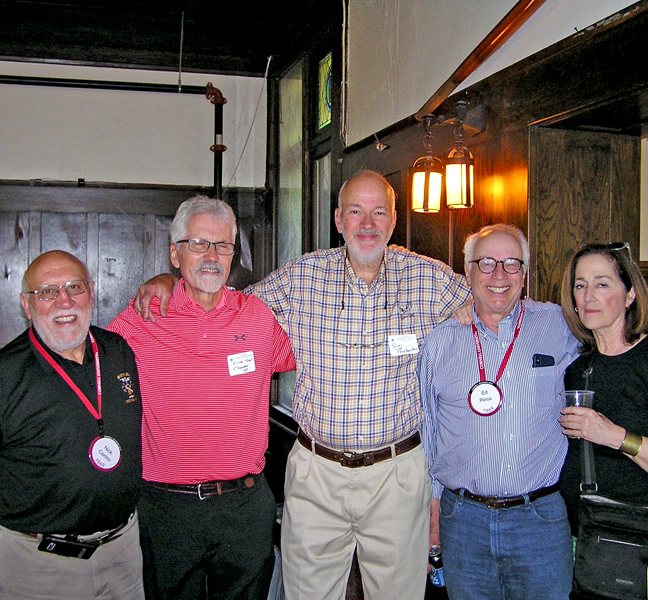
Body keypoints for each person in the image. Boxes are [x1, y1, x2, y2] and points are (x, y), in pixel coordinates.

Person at [134, 170, 472, 600]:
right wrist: (169, 280)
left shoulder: (431, 279)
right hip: (317, 473)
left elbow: (487, 303)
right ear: (338, 220)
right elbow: (224, 301)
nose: (366, 224)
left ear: (393, 220)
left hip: (397, 473)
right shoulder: (302, 276)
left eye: (378, 212)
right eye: (355, 211)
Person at [107, 195, 296, 600]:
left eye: (223, 245)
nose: (212, 256)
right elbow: (90, 369)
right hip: (167, 509)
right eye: (199, 244)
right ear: (175, 255)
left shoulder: (258, 317)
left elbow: (313, 353)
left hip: (244, 505)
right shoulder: (141, 318)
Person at [0, 250, 144, 600]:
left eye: (74, 287)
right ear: (26, 304)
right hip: (36, 567)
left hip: (122, 555)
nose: (64, 301)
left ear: (91, 293)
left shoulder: (119, 352)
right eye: (47, 292)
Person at [419, 223, 578, 600]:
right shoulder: (441, 340)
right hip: (463, 521)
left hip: (539, 520)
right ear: (468, 271)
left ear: (525, 273)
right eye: (487, 263)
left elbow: (609, 348)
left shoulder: (557, 325)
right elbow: (429, 431)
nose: (499, 275)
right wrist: (432, 515)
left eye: (512, 263)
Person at [557, 242, 648, 598]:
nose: (588, 296)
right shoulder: (578, 371)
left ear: (630, 296)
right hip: (590, 544)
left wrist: (616, 436)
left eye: (602, 283)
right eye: (580, 285)